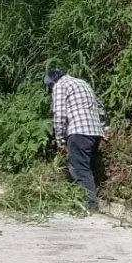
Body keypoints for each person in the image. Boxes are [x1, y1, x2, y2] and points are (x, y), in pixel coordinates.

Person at [44, 68, 108, 210]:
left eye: (50, 88)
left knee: (79, 170)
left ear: (52, 83)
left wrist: (60, 139)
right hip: (94, 132)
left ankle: (90, 206)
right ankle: (88, 201)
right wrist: (104, 129)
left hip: (78, 132)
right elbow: (100, 107)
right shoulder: (83, 83)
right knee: (87, 168)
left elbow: (59, 113)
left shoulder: (60, 85)